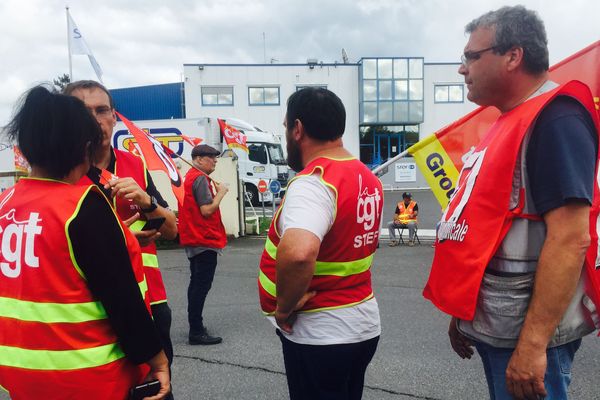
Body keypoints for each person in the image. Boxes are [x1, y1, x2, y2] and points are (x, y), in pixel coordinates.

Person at [422, 6, 600, 400]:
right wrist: (466, 310)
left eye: (470, 56)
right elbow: (486, 228)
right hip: (498, 324)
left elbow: (571, 238)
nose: (462, 68)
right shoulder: (506, 121)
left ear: (513, 56)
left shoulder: (556, 119)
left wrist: (534, 345)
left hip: (531, 339)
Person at [0, 85, 170, 399]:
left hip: (22, 374)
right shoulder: (82, 205)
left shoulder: (6, 203)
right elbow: (122, 298)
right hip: (89, 376)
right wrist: (156, 358)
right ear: (83, 147)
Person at [258, 87, 382, 400]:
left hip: (321, 331)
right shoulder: (367, 178)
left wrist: (283, 309)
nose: (286, 133)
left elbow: (299, 254)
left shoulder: (314, 182)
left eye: (286, 126)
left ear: (297, 129)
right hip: (361, 323)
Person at [63, 80, 177, 397]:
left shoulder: (133, 165)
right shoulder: (60, 177)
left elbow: (171, 230)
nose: (96, 120)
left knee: (157, 389)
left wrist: (146, 201)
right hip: (87, 312)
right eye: (83, 112)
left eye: (102, 110)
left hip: (150, 301)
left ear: (114, 117)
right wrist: (122, 239)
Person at [179, 144, 228, 345]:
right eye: (211, 157)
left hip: (195, 238)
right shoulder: (199, 178)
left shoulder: (192, 176)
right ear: (198, 159)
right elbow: (207, 210)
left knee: (196, 284)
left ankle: (196, 327)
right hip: (203, 239)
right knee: (201, 285)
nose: (215, 160)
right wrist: (221, 193)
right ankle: (196, 331)